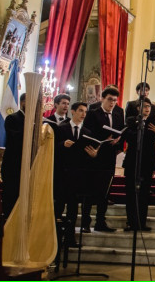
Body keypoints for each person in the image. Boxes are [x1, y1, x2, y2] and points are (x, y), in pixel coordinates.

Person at [55, 102, 99, 246]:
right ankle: (54, 239)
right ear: (72, 112)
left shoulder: (87, 132)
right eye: (80, 111)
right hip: (62, 175)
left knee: (73, 210)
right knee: (58, 208)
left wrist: (93, 155)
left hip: (78, 177)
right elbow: (51, 150)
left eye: (85, 111)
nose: (83, 114)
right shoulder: (61, 129)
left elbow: (88, 157)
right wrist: (62, 145)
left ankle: (70, 238)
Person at [82, 87, 125, 233]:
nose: (112, 103)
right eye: (109, 99)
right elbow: (87, 132)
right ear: (102, 98)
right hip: (94, 156)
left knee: (104, 192)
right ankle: (85, 222)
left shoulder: (119, 115)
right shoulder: (93, 114)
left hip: (109, 157)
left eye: (114, 100)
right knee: (89, 191)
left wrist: (117, 141)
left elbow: (121, 134)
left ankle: (100, 221)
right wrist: (101, 140)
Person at [123, 98, 155, 231]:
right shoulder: (131, 121)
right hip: (132, 161)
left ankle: (141, 222)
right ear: (138, 108)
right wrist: (141, 127)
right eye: (145, 106)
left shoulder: (153, 123)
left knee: (144, 194)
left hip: (147, 162)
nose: (147, 109)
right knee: (130, 193)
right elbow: (128, 136)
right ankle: (130, 222)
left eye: (149, 107)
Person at [0, 93, 26, 218]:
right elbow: (14, 138)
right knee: (10, 197)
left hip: (26, 166)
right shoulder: (12, 118)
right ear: (23, 103)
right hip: (13, 164)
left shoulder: (37, 121)